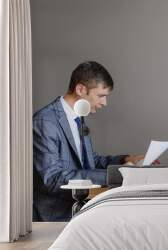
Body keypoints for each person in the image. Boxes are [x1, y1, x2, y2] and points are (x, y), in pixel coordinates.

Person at [33, 61, 143, 222]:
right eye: (101, 96)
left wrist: (125, 159)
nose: (105, 103)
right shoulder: (45, 122)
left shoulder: (77, 118)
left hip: (82, 212)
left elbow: (91, 161)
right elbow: (53, 178)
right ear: (80, 89)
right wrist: (116, 175)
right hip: (55, 218)